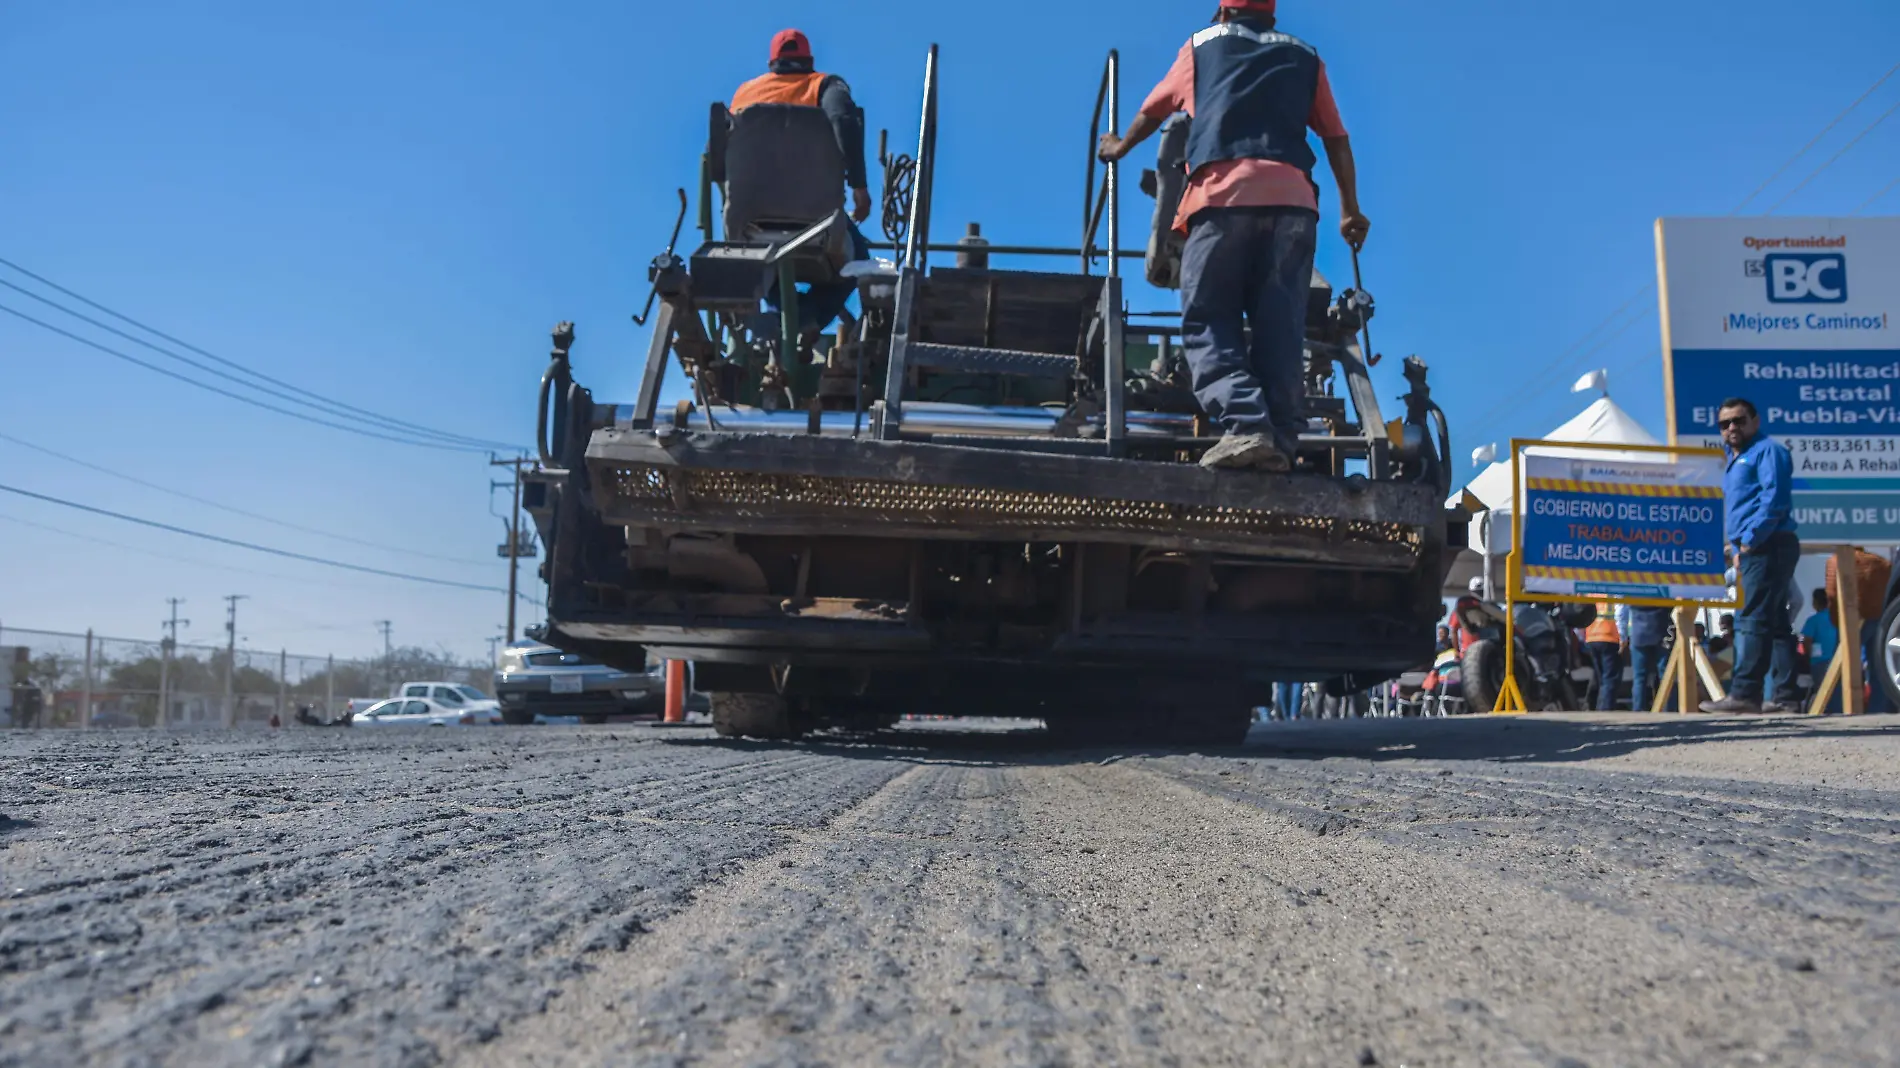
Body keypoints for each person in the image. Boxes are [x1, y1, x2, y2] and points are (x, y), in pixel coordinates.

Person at [1097, 0, 1368, 471]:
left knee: (1209, 317)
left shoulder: (1201, 47)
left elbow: (1154, 109)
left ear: (1222, 14)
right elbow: (1336, 138)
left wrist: (1119, 146)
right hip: (1293, 206)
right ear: (1272, 16)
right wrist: (1350, 210)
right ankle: (1280, 442)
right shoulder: (1305, 55)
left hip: (1222, 201)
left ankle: (1246, 427)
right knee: (1280, 328)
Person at [731, 29, 873, 340]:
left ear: (773, 63)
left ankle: (786, 314)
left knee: (762, 268)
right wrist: (859, 187)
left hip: (750, 219)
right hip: (815, 218)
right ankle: (804, 317)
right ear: (809, 60)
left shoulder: (744, 94)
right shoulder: (823, 85)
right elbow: (844, 119)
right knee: (859, 260)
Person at [1702, 397, 1802, 714]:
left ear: (1755, 422)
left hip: (1769, 544)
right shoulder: (1735, 459)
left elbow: (1774, 500)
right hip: (1756, 547)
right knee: (1775, 622)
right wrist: (1737, 547)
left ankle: (1745, 693)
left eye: (1739, 420)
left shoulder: (1767, 451)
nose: (1732, 427)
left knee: (1752, 618)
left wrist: (1749, 540)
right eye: (1725, 423)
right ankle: (1785, 697)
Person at [1621, 604, 1673, 712]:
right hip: (1660, 633)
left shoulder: (1634, 591)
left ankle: (1638, 709)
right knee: (1665, 675)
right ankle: (1668, 708)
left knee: (1639, 676)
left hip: (1638, 635)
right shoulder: (1660, 591)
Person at [1800, 587, 1839, 714]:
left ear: (1815, 602)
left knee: (1822, 690)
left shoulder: (1812, 621)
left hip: (1819, 662)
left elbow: (1807, 641)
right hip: (1837, 660)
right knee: (1837, 691)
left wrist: (1807, 657)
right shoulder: (1836, 618)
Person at [1582, 602, 1623, 711]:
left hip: (1591, 636)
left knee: (1601, 678)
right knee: (1609, 678)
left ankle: (1598, 706)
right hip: (1609, 636)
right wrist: (1623, 637)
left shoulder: (1590, 591)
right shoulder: (1611, 591)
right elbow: (1620, 612)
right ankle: (1605, 709)